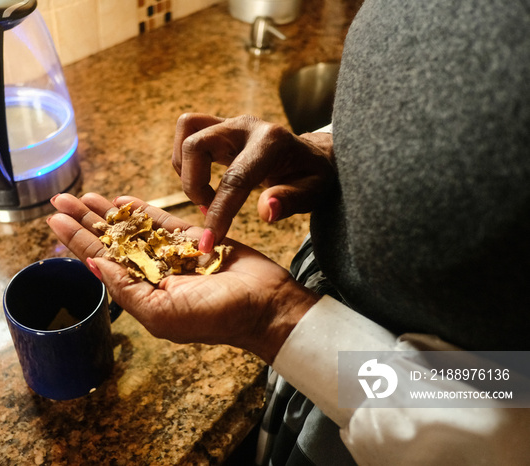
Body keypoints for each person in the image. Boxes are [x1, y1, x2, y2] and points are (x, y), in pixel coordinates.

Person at [48, 0, 530, 463]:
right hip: (326, 361)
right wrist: (332, 150)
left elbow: (514, 395)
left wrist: (282, 321)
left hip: (392, 414)